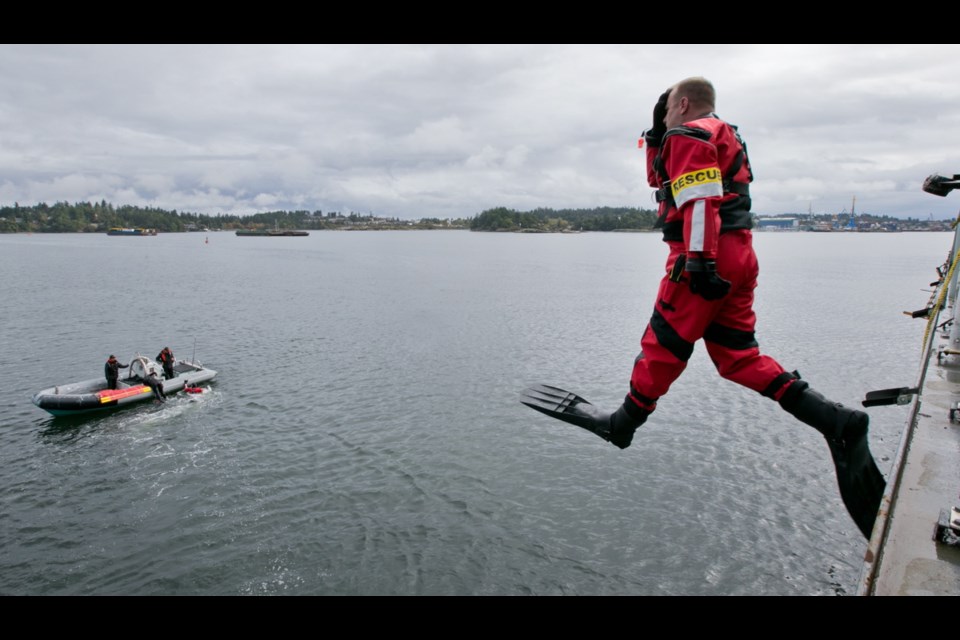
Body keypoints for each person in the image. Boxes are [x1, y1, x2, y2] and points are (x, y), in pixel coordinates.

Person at [522, 77, 884, 538]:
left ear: (684, 104)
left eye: (667, 112)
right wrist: (656, 140)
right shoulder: (722, 133)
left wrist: (698, 262)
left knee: (664, 343)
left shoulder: (687, 133)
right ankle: (837, 420)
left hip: (705, 257)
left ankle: (622, 424)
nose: (664, 122)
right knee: (738, 356)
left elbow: (698, 198)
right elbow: (684, 184)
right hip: (741, 253)